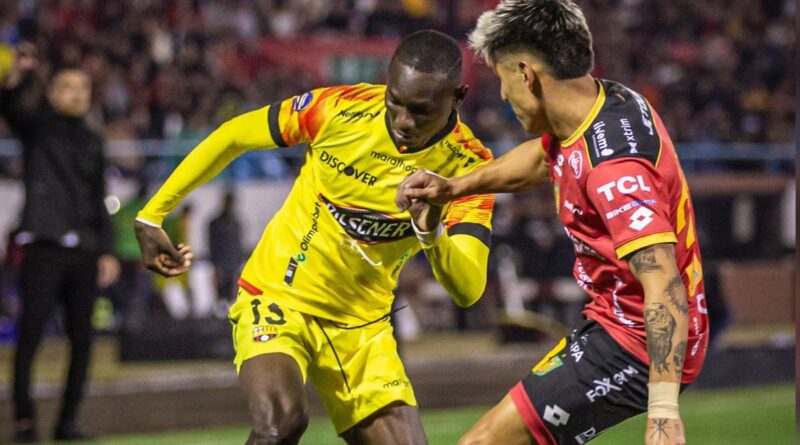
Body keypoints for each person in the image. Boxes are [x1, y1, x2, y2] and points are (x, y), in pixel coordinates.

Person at [134, 30, 495, 445]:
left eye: (421, 110)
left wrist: (430, 229)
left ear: (459, 96)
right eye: (394, 101)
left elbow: (468, 289)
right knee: (280, 425)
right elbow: (233, 135)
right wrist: (152, 215)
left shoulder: (470, 168)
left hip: (363, 329)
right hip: (279, 297)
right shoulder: (340, 109)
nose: (402, 122)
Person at [397, 2, 709, 444]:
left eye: (503, 79)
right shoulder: (607, 102)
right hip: (613, 322)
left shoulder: (616, 171)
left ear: (526, 73)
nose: (503, 96)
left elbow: (664, 285)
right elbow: (545, 156)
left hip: (638, 343)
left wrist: (663, 415)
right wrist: (453, 188)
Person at [0, 43, 120, 442]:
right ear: (52, 93)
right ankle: (24, 421)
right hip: (43, 246)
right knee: (30, 335)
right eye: (68, 87)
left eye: (83, 88)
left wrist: (107, 248)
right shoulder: (38, 127)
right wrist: (18, 76)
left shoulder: (92, 138)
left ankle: (67, 422)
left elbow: (99, 195)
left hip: (83, 251)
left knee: (83, 340)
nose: (77, 94)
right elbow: (10, 107)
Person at [208, 190, 244, 306]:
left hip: (233, 266)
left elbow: (238, 246)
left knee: (232, 298)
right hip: (221, 266)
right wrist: (215, 267)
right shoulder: (216, 224)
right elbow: (212, 246)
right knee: (220, 299)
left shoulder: (236, 223)